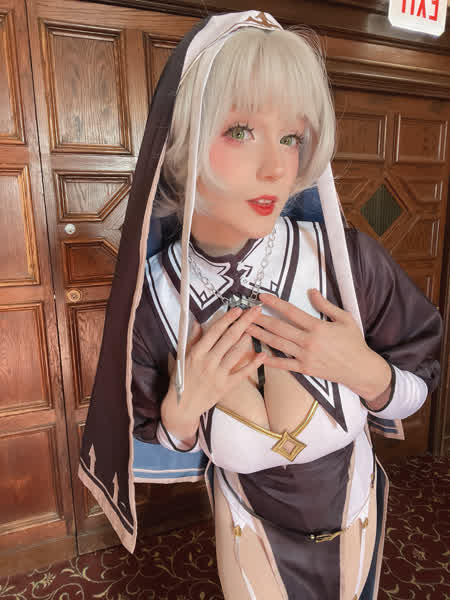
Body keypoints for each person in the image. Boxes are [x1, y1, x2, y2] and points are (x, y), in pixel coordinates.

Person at [79, 11, 442, 600]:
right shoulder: (157, 297)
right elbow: (163, 437)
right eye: (241, 130)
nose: (277, 168)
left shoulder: (344, 260)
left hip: (356, 513)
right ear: (181, 140)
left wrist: (369, 375)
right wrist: (181, 414)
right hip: (245, 529)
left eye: (291, 137)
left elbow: (421, 378)